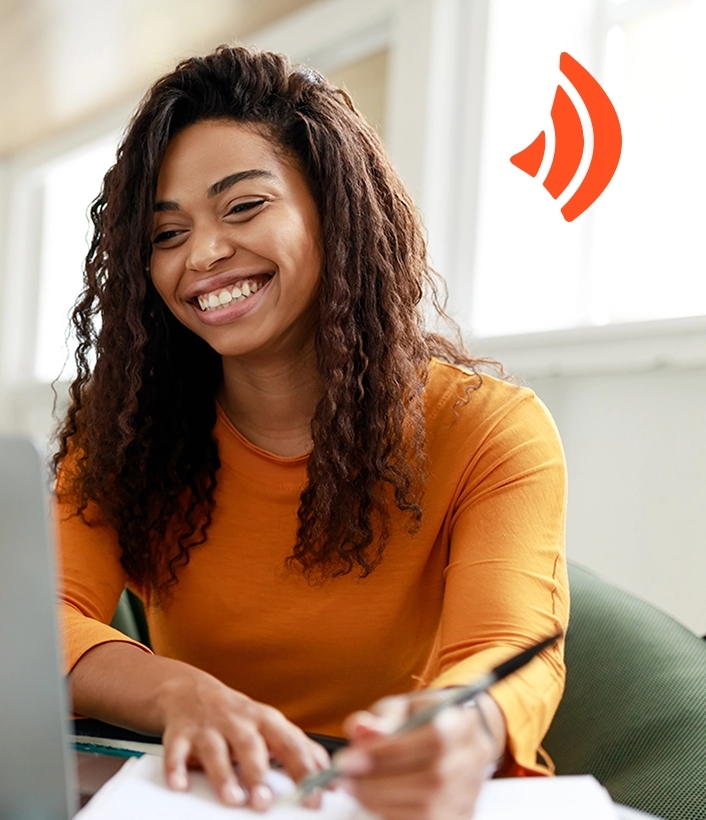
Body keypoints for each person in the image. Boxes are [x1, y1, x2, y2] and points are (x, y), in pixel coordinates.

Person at [53, 47, 568, 819]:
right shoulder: (124, 432)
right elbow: (36, 620)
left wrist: (464, 725)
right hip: (202, 794)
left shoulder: (491, 429)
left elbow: (506, 649)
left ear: (335, 207)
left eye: (243, 207)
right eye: (165, 235)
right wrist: (177, 692)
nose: (202, 255)